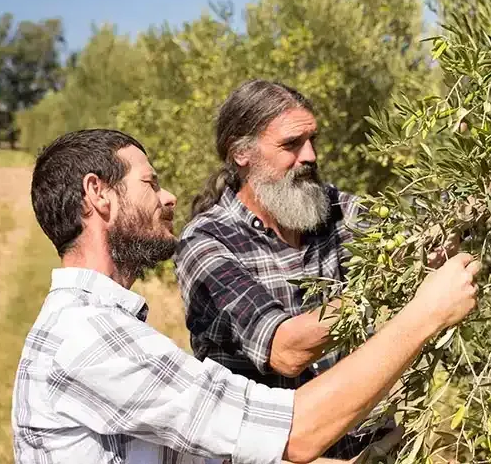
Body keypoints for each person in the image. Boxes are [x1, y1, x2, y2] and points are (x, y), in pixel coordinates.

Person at [12, 128, 480, 464]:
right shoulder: (91, 338)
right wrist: (425, 313)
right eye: (150, 183)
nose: (169, 196)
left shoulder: (98, 327)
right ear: (99, 194)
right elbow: (295, 431)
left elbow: (214, 447)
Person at [175, 80, 459, 460]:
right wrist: (419, 307)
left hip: (367, 448)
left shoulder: (333, 208)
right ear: (242, 153)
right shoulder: (207, 241)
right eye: (291, 144)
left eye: (312, 140)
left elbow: (419, 231)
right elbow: (287, 349)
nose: (309, 155)